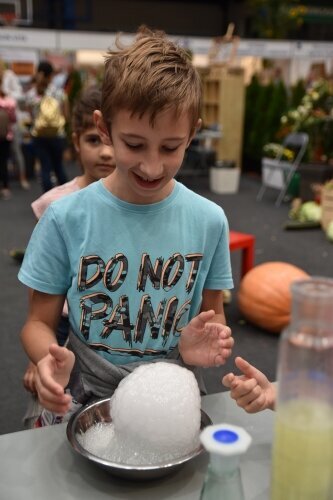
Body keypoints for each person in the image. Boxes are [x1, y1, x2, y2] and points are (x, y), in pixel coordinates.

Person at [18, 27, 234, 424]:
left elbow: (213, 312)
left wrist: (202, 341)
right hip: (85, 390)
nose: (152, 166)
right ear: (104, 129)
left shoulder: (209, 221)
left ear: (192, 134)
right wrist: (46, 358)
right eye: (134, 144)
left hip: (172, 391)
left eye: (170, 148)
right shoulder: (65, 218)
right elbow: (37, 323)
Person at [22, 85, 115, 399]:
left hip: (113, 323)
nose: (105, 152)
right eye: (93, 140)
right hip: (64, 323)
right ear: (75, 142)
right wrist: (37, 358)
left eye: (113, 142)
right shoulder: (57, 204)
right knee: (60, 399)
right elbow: (41, 287)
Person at [26, 60, 68, 192]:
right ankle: (65, 197)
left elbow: (30, 117)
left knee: (45, 167)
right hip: (57, 135)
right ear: (51, 76)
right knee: (58, 167)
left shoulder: (31, 94)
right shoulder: (59, 92)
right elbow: (65, 115)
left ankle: (48, 200)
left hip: (39, 135)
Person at [0, 71, 16, 200]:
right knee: (4, 160)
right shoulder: (8, 102)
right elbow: (13, 119)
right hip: (6, 135)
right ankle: (5, 186)